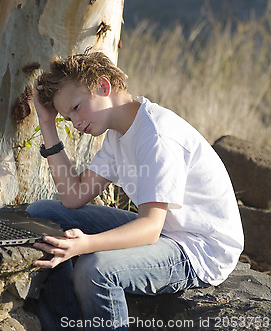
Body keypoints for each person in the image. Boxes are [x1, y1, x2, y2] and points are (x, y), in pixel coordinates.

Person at [26, 51, 244, 330]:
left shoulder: (156, 135)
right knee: (41, 214)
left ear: (103, 87)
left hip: (198, 249)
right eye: (68, 118)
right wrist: (47, 124)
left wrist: (85, 244)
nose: (76, 124)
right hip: (167, 231)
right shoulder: (117, 134)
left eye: (77, 108)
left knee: (94, 269)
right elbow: (72, 196)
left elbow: (150, 228)